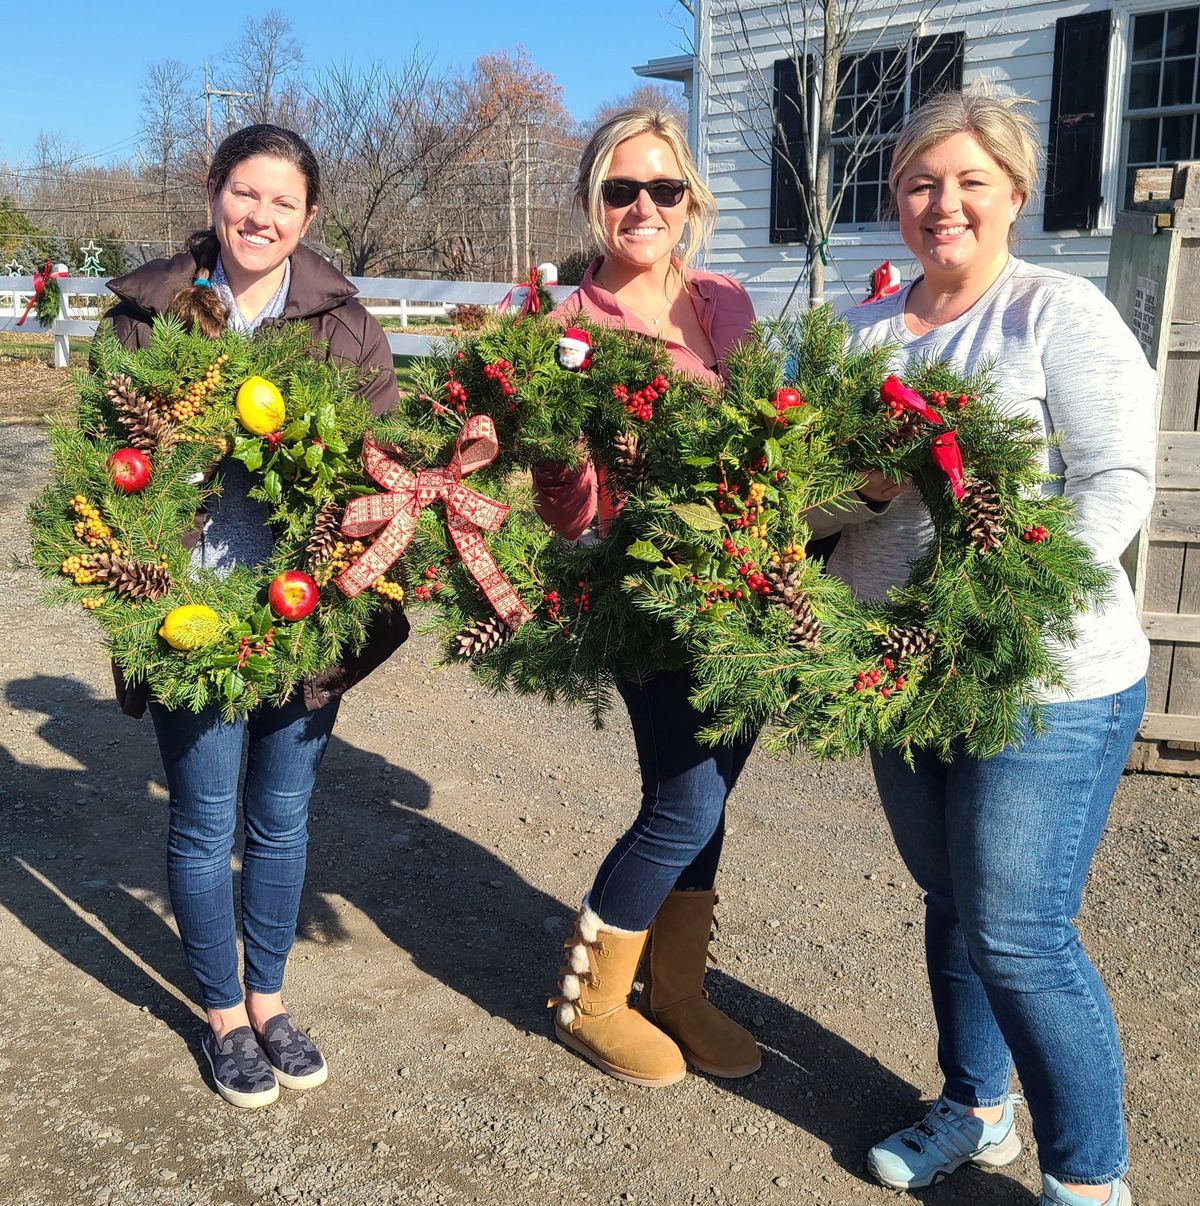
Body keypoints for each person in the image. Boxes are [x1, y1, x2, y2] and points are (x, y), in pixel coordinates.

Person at [811, 93, 1155, 1206]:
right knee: (951, 898)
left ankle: (1091, 1180)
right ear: (896, 200)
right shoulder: (862, 338)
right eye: (920, 183)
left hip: (1042, 679)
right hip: (899, 677)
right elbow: (799, 507)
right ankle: (974, 1108)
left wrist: (1010, 605)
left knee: (1019, 928)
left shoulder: (1059, 314)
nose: (941, 204)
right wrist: (855, 488)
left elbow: (1116, 486)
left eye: (968, 182)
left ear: (1013, 194)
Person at [104, 124, 409, 1109]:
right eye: (246, 194)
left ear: (309, 217)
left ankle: (270, 1002)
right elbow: (105, 471)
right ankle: (223, 1016)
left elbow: (384, 467)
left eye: (283, 201)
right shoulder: (150, 315)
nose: (260, 216)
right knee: (202, 826)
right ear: (212, 195)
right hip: (189, 610)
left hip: (303, 610)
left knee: (279, 823)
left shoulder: (345, 325)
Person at [538, 108, 762, 1088]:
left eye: (662, 189)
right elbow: (564, 510)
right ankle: (591, 998)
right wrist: (562, 457)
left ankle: (675, 989)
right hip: (643, 597)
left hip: (748, 593)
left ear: (689, 203)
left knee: (714, 800)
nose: (643, 206)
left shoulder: (726, 306)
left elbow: (767, 443)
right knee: (683, 799)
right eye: (621, 189)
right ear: (596, 201)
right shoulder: (570, 329)